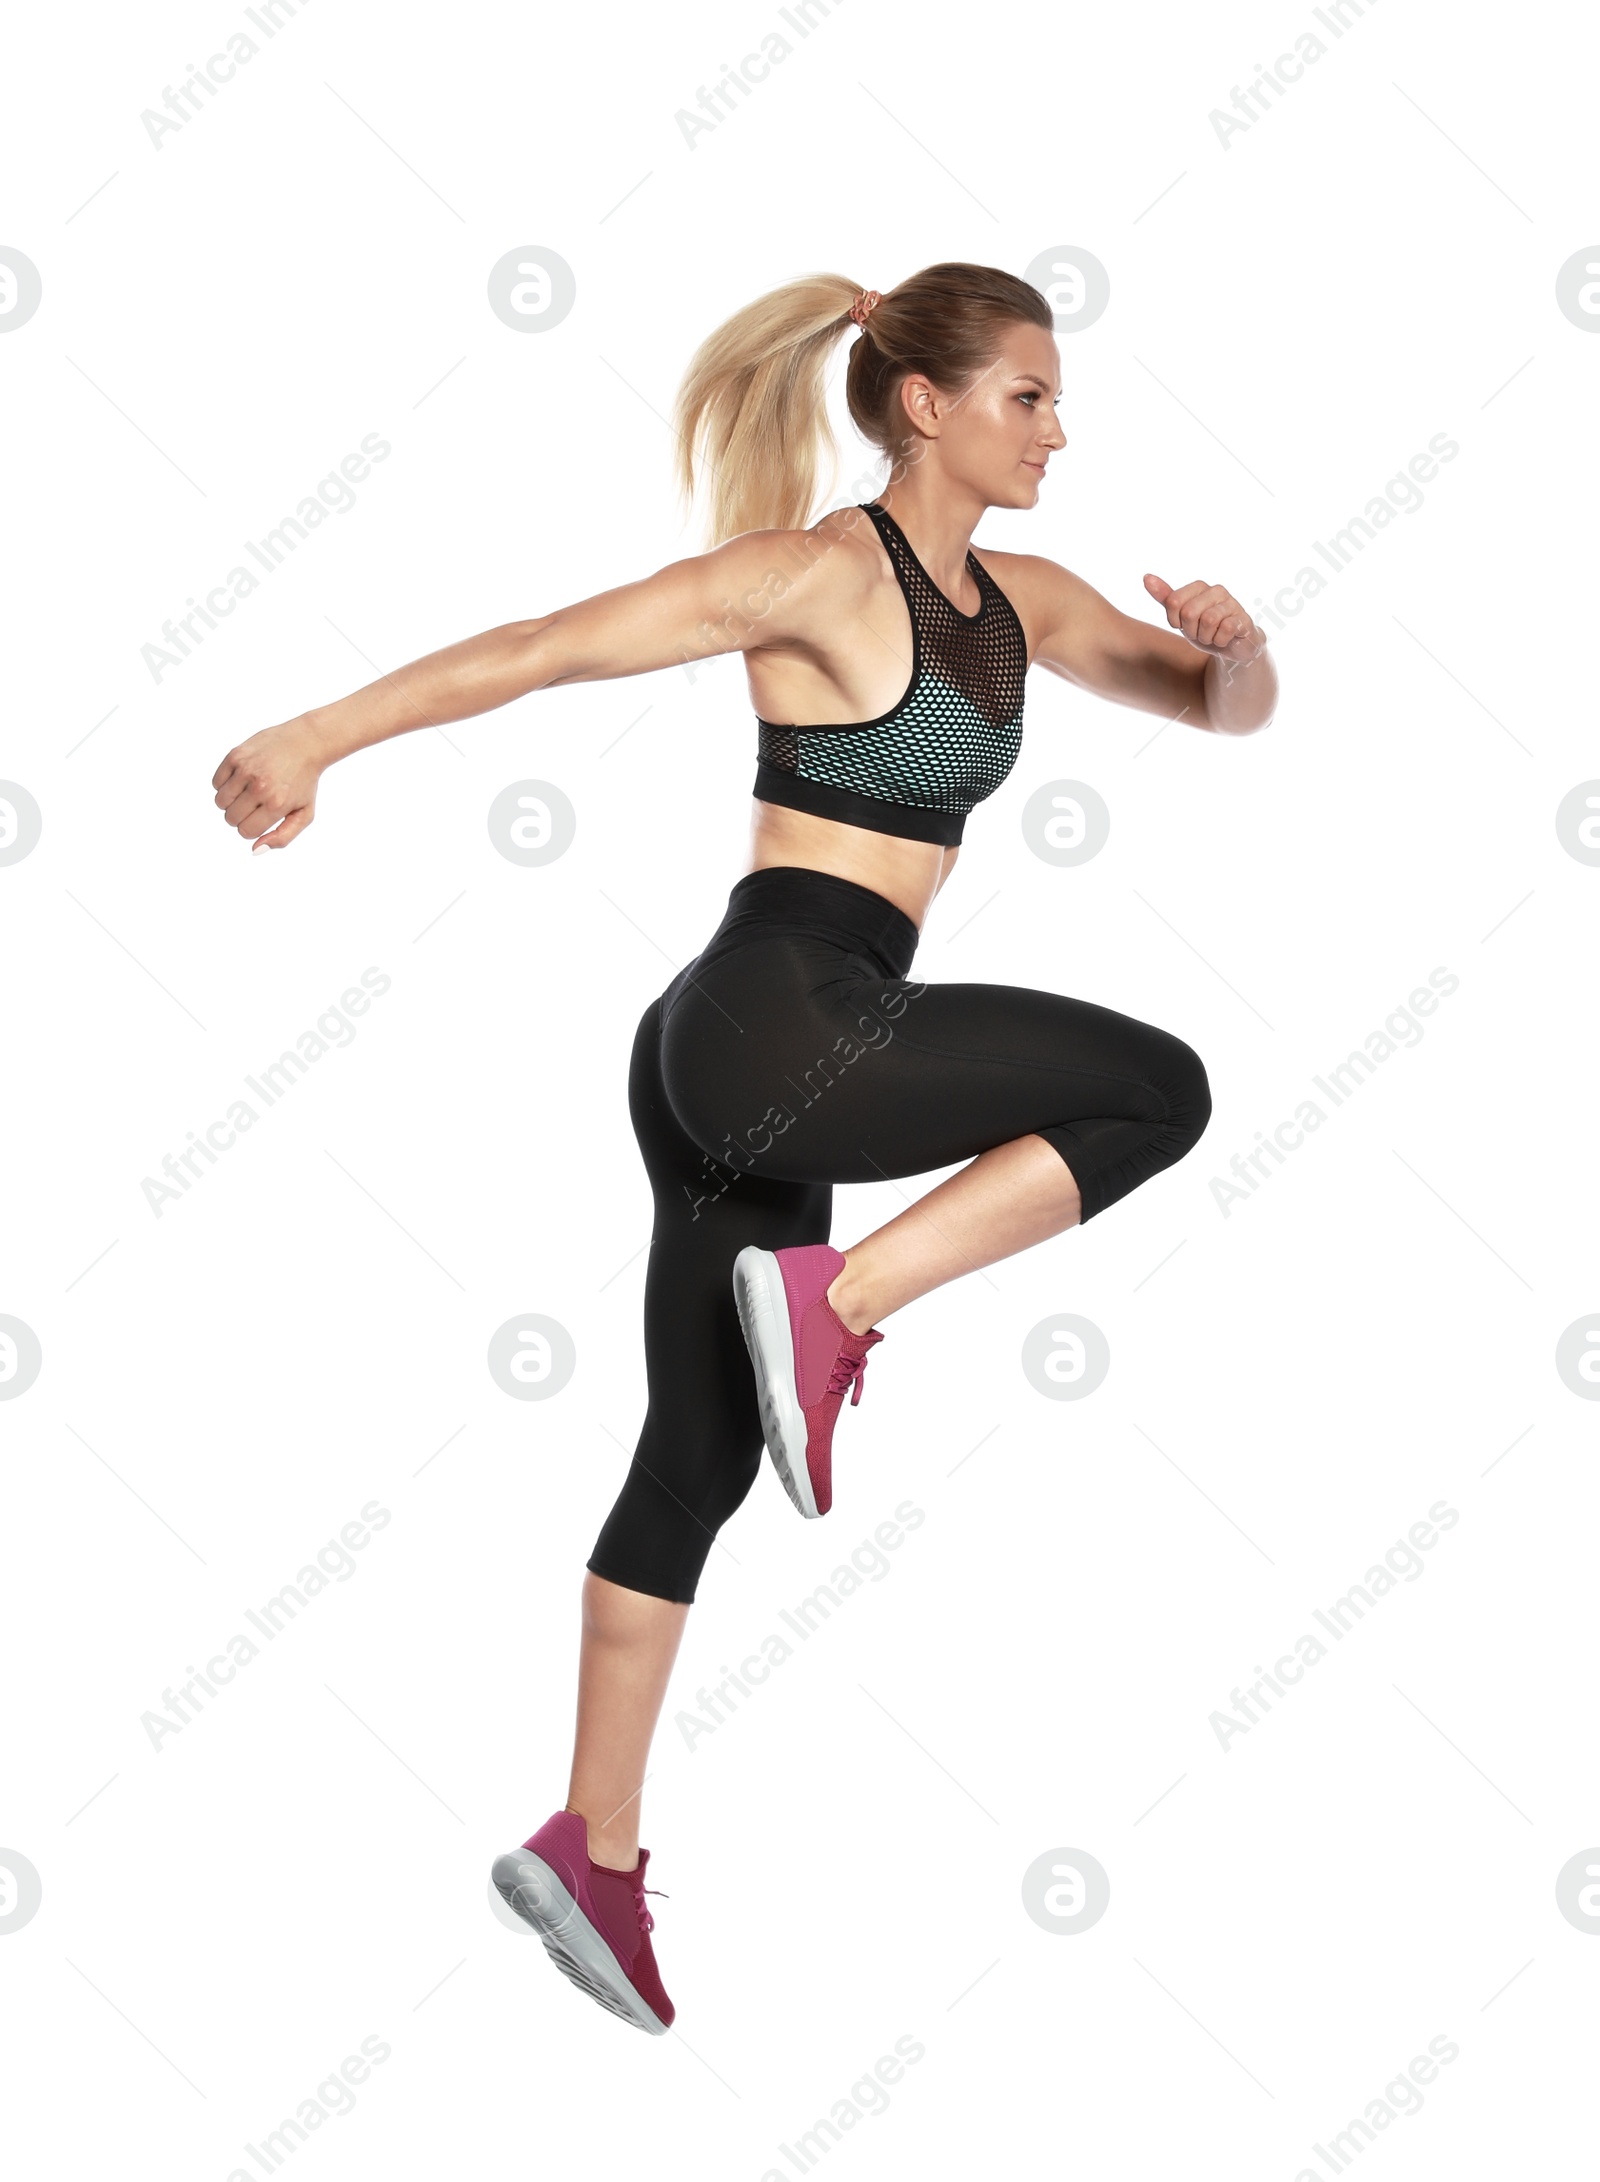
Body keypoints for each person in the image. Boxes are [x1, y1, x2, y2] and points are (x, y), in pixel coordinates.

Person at [211, 261, 1277, 2035]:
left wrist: (1243, 652)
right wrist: (314, 735)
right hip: (780, 1018)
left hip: (757, 1041)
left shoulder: (1026, 600)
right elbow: (547, 647)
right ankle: (841, 1293)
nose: (1059, 428)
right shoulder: (810, 575)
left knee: (701, 1449)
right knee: (1156, 1087)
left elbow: (1207, 704)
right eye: (1029, 395)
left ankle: (592, 1848)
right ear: (926, 403)